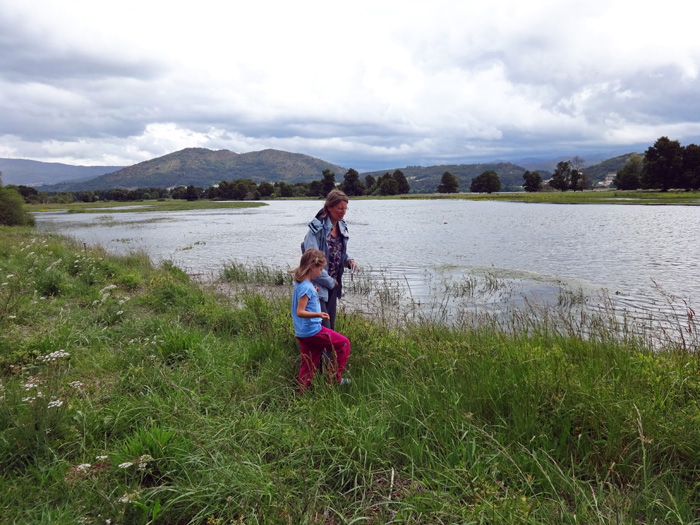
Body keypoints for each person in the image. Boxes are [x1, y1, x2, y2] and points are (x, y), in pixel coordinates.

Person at [290, 248, 351, 390]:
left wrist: (313, 291)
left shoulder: (301, 284)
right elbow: (300, 311)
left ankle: (302, 396)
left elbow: (304, 298)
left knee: (308, 365)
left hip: (303, 333)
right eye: (321, 269)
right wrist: (319, 315)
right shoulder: (306, 287)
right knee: (344, 344)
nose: (321, 272)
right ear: (312, 267)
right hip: (313, 331)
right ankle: (335, 379)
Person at [302, 189, 357, 331]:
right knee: (322, 327)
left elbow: (339, 252)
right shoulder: (316, 229)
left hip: (333, 283)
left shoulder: (341, 226)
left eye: (345, 208)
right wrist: (331, 282)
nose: (343, 212)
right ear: (329, 207)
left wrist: (349, 260)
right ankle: (316, 353)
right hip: (316, 285)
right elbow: (312, 262)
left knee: (330, 327)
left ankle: (328, 353)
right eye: (340, 208)